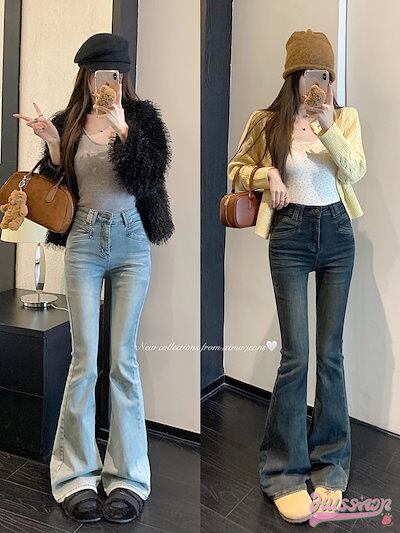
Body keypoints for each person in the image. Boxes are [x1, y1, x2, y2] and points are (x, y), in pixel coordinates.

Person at [13, 33, 174, 524]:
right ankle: (74, 475)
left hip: (131, 242)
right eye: (101, 74)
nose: (109, 83)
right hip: (84, 241)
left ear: (124, 77)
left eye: (117, 74)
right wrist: (52, 142)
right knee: (84, 361)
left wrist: (123, 128)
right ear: (86, 76)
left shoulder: (142, 119)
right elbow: (59, 188)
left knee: (123, 361)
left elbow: (149, 177)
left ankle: (128, 477)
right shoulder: (69, 120)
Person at [227, 29, 366, 524]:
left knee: (330, 355)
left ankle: (331, 466)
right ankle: (283, 472)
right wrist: (267, 175)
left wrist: (328, 126)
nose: (320, 85)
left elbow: (355, 171)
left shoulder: (344, 118)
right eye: (311, 74)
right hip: (289, 235)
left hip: (337, 234)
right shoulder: (267, 122)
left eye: (327, 75)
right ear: (293, 76)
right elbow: (236, 168)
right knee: (295, 356)